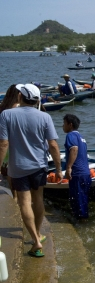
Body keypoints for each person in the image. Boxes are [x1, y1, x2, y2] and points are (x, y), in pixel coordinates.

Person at [0, 84, 63, 257]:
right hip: (39, 166)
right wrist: (58, 169)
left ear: (20, 96)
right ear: (37, 100)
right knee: (38, 199)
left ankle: (35, 239)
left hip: (18, 167)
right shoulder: (45, 117)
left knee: (24, 203)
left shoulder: (6, 115)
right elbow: (53, 145)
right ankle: (38, 234)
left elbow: (3, 144)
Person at [62, 114, 91, 220]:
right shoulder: (82, 137)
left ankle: (82, 224)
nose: (62, 126)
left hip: (77, 173)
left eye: (64, 123)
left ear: (70, 125)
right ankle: (84, 219)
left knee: (77, 200)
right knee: (83, 199)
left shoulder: (70, 135)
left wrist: (68, 167)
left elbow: (74, 150)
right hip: (86, 173)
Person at [0, 84, 21, 200]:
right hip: (17, 145)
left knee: (9, 176)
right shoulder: (19, 108)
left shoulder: (3, 109)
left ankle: (15, 198)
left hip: (6, 143)